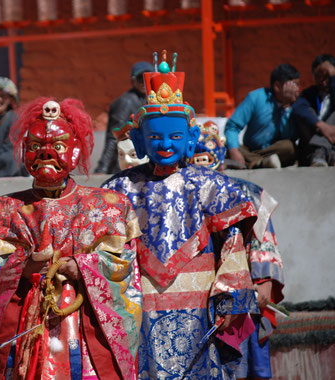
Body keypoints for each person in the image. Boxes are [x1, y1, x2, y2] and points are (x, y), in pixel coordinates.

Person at [102, 50, 259, 379]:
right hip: (140, 300)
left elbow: (232, 244)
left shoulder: (210, 186)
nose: (164, 144)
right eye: (154, 137)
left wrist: (230, 296)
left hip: (199, 301)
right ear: (140, 142)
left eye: (175, 137)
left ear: (191, 140)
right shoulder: (120, 189)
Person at [0, 98, 143, 379]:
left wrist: (83, 267)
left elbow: (126, 265)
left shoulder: (109, 206)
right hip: (24, 333)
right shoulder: (0, 211)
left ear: (75, 150)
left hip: (85, 331)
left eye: (58, 146)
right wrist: (21, 268)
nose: (45, 154)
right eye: (36, 147)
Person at [192, 121, 286, 380]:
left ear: (219, 160)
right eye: (194, 160)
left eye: (206, 159)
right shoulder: (182, 197)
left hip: (243, 292)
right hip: (197, 293)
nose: (200, 167)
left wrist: (263, 279)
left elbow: (262, 237)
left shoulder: (246, 192)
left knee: (246, 366)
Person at [225, 63, 300, 169]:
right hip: (250, 150)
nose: (297, 90)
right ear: (277, 87)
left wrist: (287, 108)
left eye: (298, 85)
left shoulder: (297, 104)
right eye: (294, 85)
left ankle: (256, 163)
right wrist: (234, 151)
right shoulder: (255, 97)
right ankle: (261, 163)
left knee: (290, 147)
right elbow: (232, 126)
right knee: (227, 147)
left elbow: (291, 136)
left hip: (275, 151)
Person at [94, 61, 153, 174]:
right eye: (140, 78)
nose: (144, 82)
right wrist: (102, 169)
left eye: (147, 78)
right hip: (126, 163)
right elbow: (113, 137)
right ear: (133, 81)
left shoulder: (148, 100)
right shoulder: (126, 102)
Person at [292, 53, 335, 166]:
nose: (323, 82)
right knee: (307, 113)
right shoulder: (309, 94)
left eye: (327, 76)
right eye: (318, 77)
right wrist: (321, 126)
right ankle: (320, 151)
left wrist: (333, 78)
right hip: (310, 148)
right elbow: (298, 108)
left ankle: (322, 152)